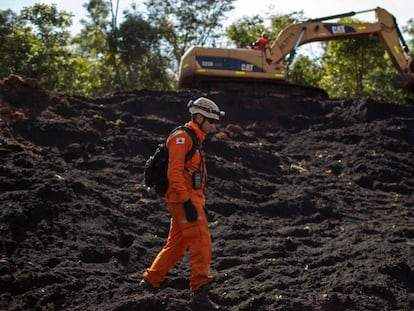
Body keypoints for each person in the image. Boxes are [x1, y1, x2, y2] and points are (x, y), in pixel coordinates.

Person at [140, 97, 225, 310]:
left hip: (189, 200)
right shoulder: (181, 138)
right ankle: (199, 295)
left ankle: (150, 281)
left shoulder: (194, 139)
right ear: (198, 117)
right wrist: (187, 202)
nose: (214, 126)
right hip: (183, 200)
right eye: (211, 121)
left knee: (177, 245)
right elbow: (174, 173)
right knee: (201, 243)